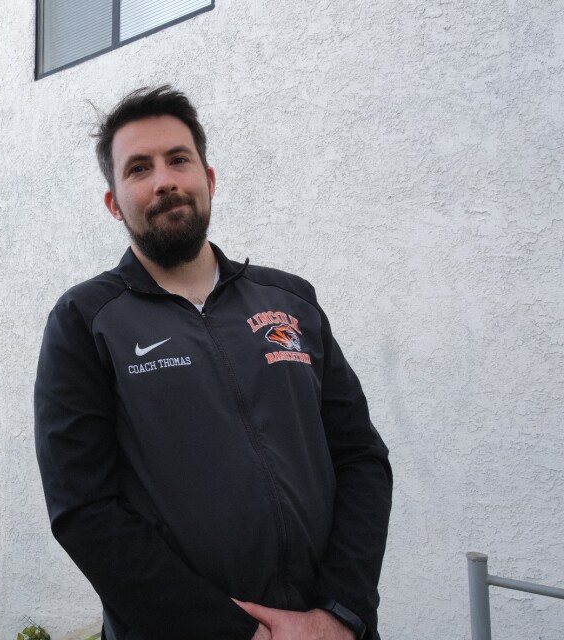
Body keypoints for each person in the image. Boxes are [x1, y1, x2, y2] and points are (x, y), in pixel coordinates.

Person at [34, 86, 392, 640]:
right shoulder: (85, 321)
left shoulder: (291, 301)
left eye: (179, 159)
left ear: (209, 177)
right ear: (114, 202)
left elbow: (362, 459)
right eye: (138, 168)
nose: (164, 180)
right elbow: (85, 512)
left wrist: (340, 614)